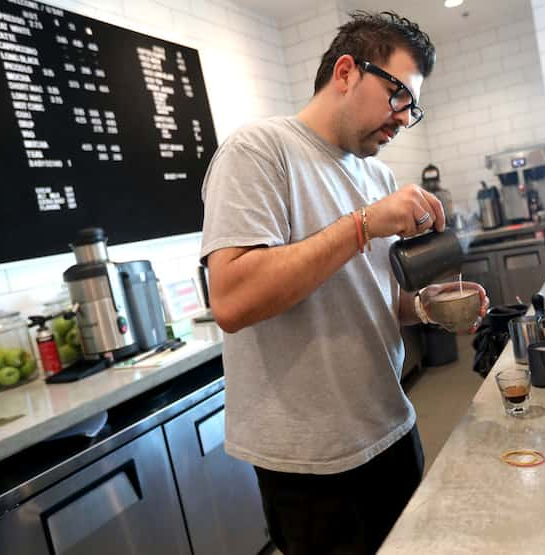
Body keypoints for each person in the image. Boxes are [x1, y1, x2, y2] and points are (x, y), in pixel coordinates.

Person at [200, 11, 485, 554]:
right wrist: (364, 224)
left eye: (413, 109)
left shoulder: (374, 175)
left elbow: (365, 295)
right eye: (398, 95)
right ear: (348, 71)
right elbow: (232, 301)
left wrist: (423, 308)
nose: (403, 119)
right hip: (312, 462)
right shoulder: (260, 151)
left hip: (393, 428)